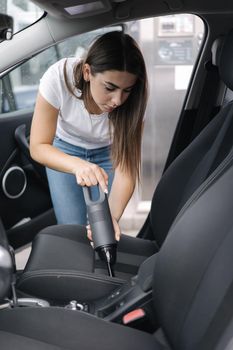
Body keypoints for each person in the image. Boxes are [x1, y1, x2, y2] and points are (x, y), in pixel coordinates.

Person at [30, 30, 148, 241]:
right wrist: (77, 165)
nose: (118, 100)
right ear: (87, 72)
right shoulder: (58, 77)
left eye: (127, 90)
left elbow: (126, 170)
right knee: (72, 232)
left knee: (103, 231)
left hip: (110, 153)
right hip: (65, 149)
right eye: (110, 87)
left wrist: (111, 218)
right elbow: (38, 146)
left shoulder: (135, 104)